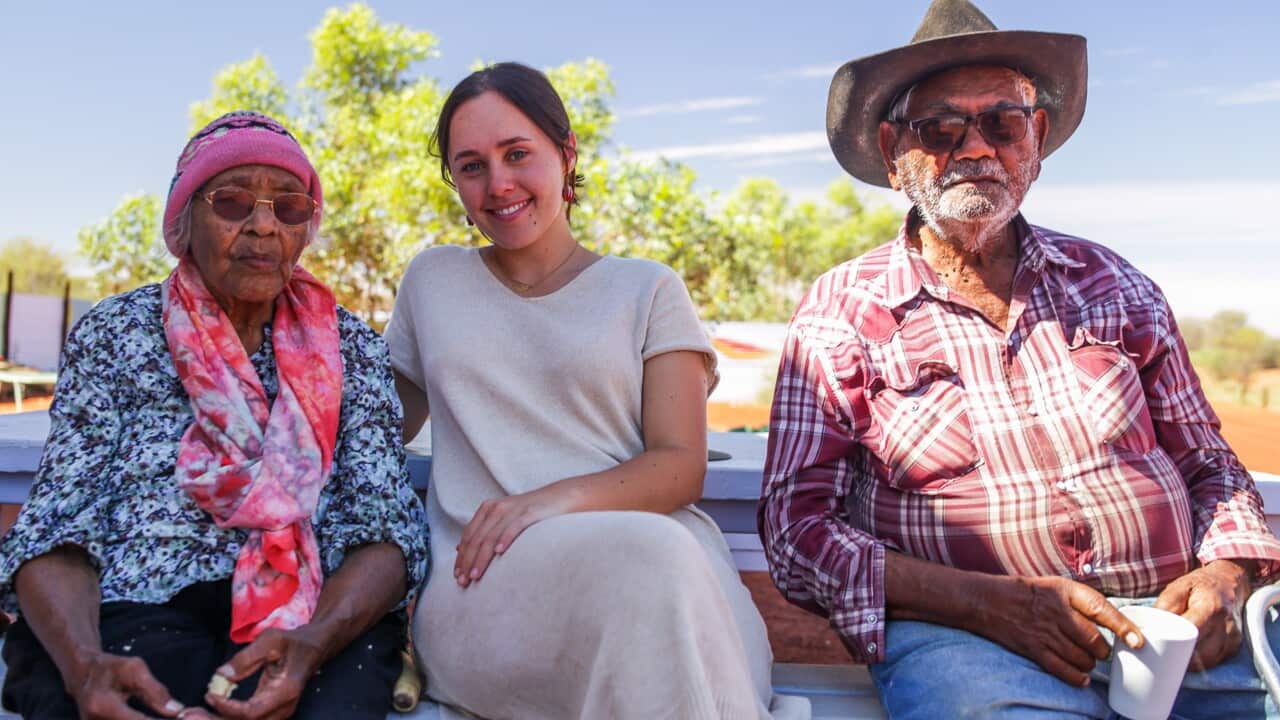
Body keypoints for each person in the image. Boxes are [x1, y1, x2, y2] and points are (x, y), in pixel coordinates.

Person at [759, 1, 1280, 717]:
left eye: (1002, 122)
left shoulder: (1116, 284)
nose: (974, 149)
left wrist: (1226, 572)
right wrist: (985, 604)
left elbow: (1209, 463)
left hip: (1174, 630)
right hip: (970, 643)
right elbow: (795, 529)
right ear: (891, 151)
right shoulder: (842, 312)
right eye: (940, 129)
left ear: (1034, 135)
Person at [386, 62, 806, 720]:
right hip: (485, 584)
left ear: (566, 152)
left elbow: (680, 466)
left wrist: (543, 503)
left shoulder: (649, 290)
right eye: (471, 166)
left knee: (653, 559)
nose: (498, 184)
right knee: (651, 562)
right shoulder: (432, 283)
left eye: (517, 154)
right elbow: (372, 429)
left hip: (664, 572)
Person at [0, 111, 429, 720]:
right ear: (184, 221)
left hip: (313, 620)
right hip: (129, 608)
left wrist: (312, 643)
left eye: (289, 207)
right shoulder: (117, 333)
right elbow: (57, 521)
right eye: (231, 202)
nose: (262, 225)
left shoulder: (350, 348)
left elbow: (385, 528)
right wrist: (83, 661)